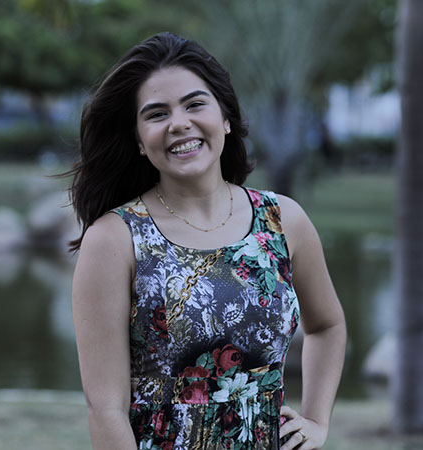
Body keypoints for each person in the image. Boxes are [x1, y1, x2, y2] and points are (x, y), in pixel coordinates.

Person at [69, 32, 346, 450]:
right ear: (140, 141)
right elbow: (105, 409)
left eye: (195, 104)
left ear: (226, 118)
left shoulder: (283, 220)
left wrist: (317, 420)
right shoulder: (114, 238)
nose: (179, 123)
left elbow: (327, 326)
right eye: (157, 114)